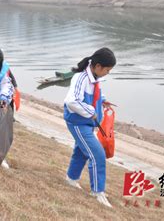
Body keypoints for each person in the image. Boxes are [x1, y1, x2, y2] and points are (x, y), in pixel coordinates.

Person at [63, 47, 116, 208]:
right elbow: (72, 101)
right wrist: (91, 111)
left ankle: (71, 179)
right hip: (78, 122)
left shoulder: (94, 77)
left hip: (87, 123)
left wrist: (103, 100)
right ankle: (97, 192)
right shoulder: (80, 78)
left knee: (81, 151)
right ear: (98, 66)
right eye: (107, 70)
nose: (108, 73)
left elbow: (94, 92)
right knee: (97, 154)